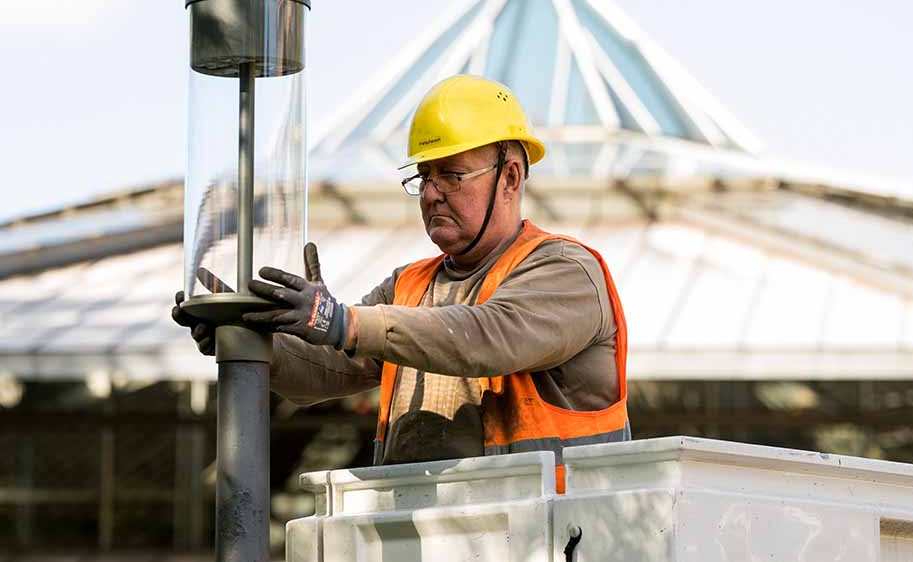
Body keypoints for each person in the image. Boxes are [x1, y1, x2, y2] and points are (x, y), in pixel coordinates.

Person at [172, 74, 629, 492]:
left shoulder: (566, 271)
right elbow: (325, 368)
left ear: (510, 177)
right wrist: (245, 337)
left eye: (451, 174)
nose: (431, 193)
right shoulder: (409, 285)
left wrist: (343, 321)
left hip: (551, 541)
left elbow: (485, 339)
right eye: (424, 176)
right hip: (424, 537)